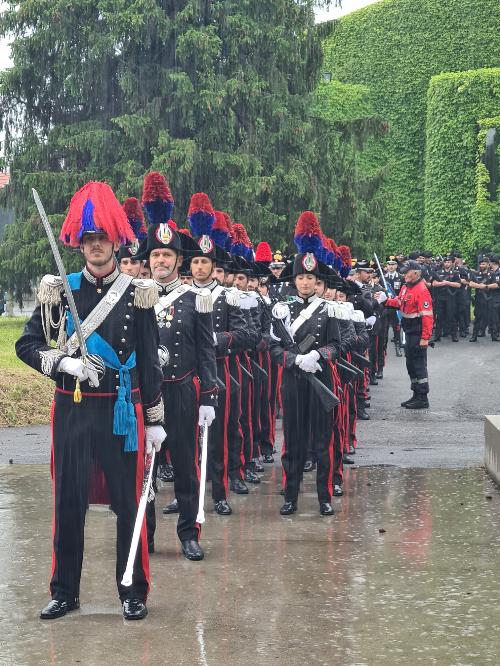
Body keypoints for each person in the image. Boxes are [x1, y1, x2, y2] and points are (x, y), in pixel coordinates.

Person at [16, 181, 165, 621]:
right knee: (68, 501)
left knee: (128, 502)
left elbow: (150, 363)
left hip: (121, 410)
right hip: (73, 408)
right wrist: (63, 364)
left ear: (116, 242)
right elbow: (27, 345)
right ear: (79, 244)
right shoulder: (60, 291)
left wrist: (154, 417)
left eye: (102, 237)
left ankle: (132, 592)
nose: (96, 245)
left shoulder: (138, 294)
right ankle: (64, 591)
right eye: (88, 239)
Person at [136, 174, 218, 562]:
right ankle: (145, 535)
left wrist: (209, 396)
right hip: (147, 394)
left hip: (183, 392)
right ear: (149, 259)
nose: (161, 261)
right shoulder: (135, 297)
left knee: (186, 467)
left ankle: (189, 532)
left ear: (179, 260)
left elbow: (207, 353)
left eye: (168, 256)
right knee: (146, 470)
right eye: (155, 255)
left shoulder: (196, 298)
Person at [269, 212, 341, 516]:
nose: (306, 282)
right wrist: (295, 358)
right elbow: (273, 347)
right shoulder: (281, 309)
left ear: (317, 281)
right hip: (293, 381)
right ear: (294, 279)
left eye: (310, 277)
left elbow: (337, 344)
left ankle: (324, 497)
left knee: (322, 440)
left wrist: (319, 355)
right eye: (300, 277)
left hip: (320, 379)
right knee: (293, 440)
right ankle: (292, 495)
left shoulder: (328, 309)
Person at [185, 193, 249, 515]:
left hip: (219, 372)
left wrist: (216, 339)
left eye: (205, 262)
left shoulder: (229, 296)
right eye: (195, 261)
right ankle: (186, 494)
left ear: (213, 266)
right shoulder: (180, 295)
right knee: (185, 436)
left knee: (220, 433)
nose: (199, 267)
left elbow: (246, 334)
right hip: (186, 372)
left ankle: (220, 492)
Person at [379, 260, 433, 409]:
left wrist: (425, 338)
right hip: (408, 332)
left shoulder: (421, 290)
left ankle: (422, 397)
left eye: (407, 272)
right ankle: (416, 394)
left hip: (417, 333)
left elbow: (427, 316)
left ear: (416, 273)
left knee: (419, 365)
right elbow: (399, 302)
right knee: (411, 364)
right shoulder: (405, 287)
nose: (404, 274)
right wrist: (386, 301)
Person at [468, 255, 490, 341]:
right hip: (478, 299)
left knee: (488, 317)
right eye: (480, 264)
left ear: (488, 265)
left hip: (488, 298)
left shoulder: (491, 274)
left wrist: (484, 286)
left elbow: (494, 285)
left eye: (483, 264)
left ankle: (488, 332)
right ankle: (474, 335)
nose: (481, 266)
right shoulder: (476, 274)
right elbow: (470, 284)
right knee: (477, 317)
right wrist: (480, 286)